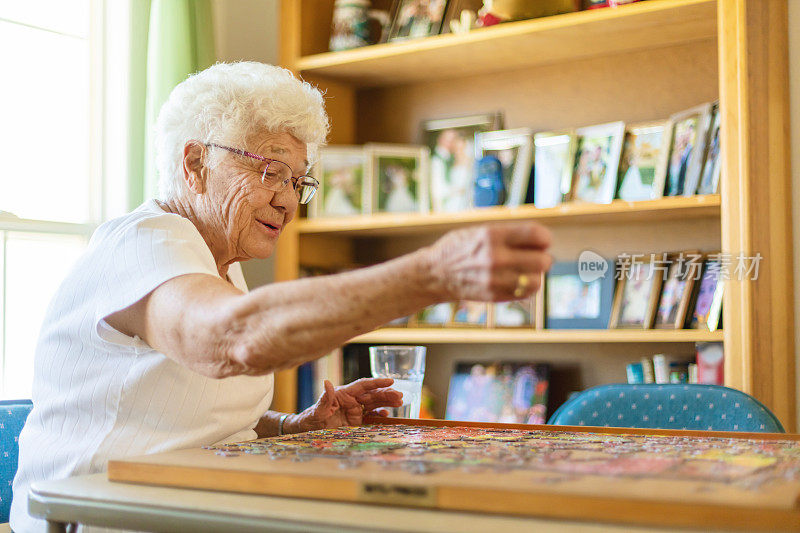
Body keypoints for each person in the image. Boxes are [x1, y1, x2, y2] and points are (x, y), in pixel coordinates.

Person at [10, 62, 552, 531]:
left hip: (180, 508)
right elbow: (232, 338)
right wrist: (436, 272)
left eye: (299, 181)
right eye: (271, 169)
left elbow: (190, 420)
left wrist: (294, 426)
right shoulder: (144, 243)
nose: (287, 201)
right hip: (93, 517)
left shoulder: (217, 261)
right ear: (194, 164)